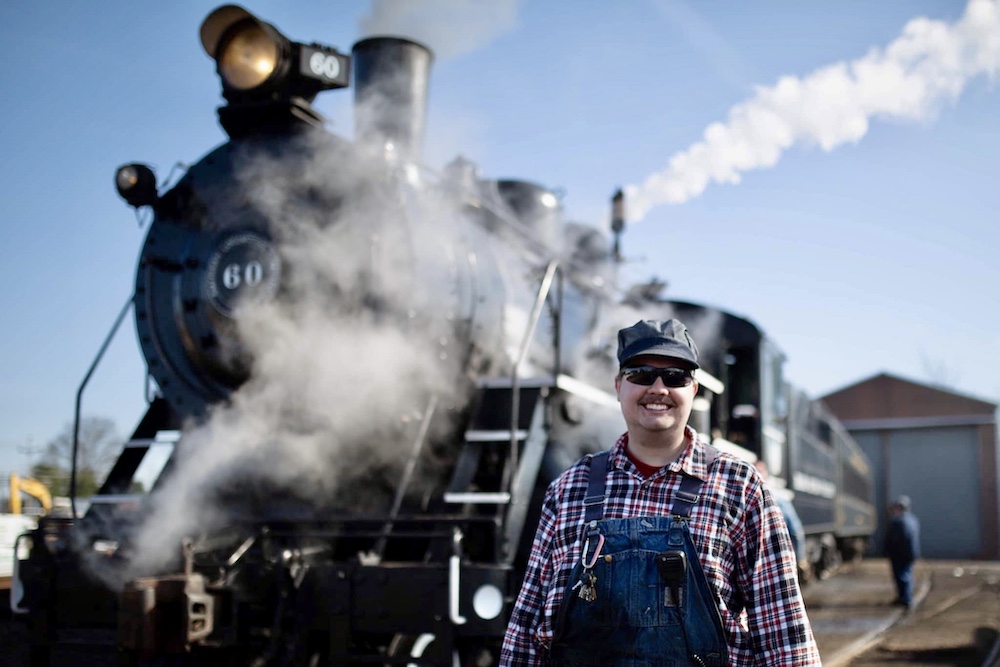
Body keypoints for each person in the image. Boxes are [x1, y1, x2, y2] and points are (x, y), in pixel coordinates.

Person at [500, 319, 821, 666]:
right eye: (640, 374)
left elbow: (784, 634)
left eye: (675, 377)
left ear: (693, 390)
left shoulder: (739, 486)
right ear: (618, 385)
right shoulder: (568, 490)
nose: (658, 388)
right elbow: (526, 629)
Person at [754, 459, 808, 574]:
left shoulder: (742, 500)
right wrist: (801, 559)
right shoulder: (779, 499)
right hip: (777, 558)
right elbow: (796, 531)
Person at [884, 495, 920, 608]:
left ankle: (906, 599)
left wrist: (888, 550)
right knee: (907, 574)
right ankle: (904, 597)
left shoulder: (898, 522)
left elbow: (896, 539)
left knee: (902, 576)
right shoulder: (912, 519)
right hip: (911, 552)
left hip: (900, 554)